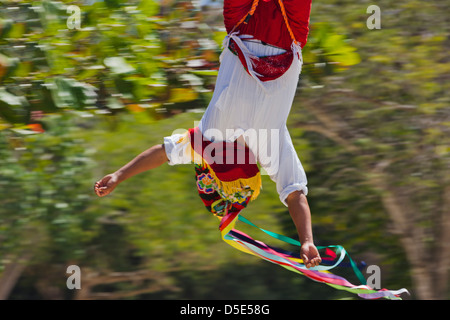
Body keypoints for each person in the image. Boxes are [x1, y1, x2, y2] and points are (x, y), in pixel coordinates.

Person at [95, 0, 321, 269]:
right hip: (287, 32)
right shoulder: (258, 146)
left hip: (246, 23)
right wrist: (306, 240)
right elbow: (295, 194)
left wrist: (120, 175)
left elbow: (163, 152)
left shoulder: (209, 141)